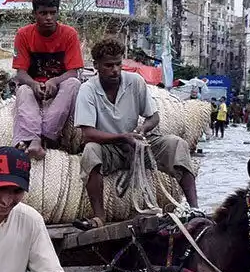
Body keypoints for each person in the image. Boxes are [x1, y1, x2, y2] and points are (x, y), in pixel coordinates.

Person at [74, 38, 198, 230]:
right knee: (90, 152)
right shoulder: (87, 90)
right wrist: (123, 137)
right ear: (96, 65)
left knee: (177, 145)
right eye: (108, 65)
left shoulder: (135, 82)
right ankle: (99, 216)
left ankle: (194, 209)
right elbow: (88, 134)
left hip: (137, 143)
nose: (115, 70)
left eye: (118, 64)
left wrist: (142, 130)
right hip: (109, 148)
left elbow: (153, 117)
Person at [12, 0, 84, 160]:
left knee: (73, 83)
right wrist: (33, 84)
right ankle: (34, 138)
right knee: (23, 90)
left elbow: (73, 71)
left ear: (58, 12)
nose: (49, 18)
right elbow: (20, 72)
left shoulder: (69, 34)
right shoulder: (23, 34)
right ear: (34, 14)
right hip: (34, 88)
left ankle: (46, 135)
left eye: (53, 13)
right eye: (43, 13)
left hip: (59, 88)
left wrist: (55, 81)